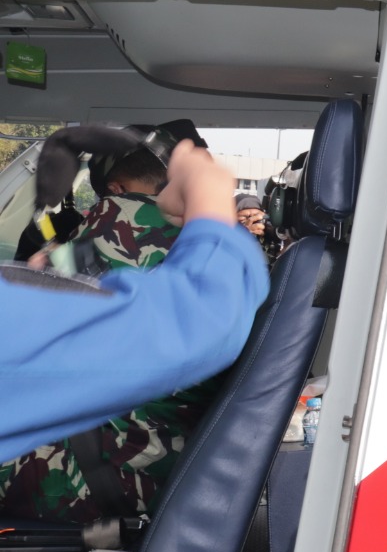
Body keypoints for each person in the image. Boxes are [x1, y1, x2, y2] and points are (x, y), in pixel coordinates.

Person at [0, 136, 270, 465]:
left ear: (114, 188)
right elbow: (195, 321)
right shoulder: (231, 247)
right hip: (173, 450)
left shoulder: (95, 231)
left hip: (105, 462)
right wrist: (208, 197)